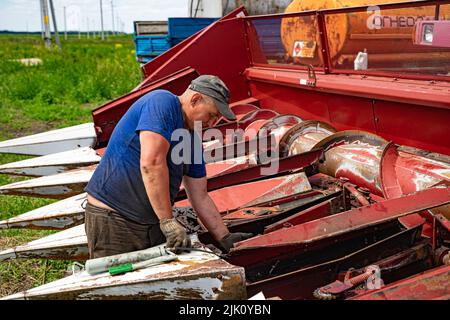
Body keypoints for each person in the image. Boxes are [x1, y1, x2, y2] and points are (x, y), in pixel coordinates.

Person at [84, 75, 252, 258]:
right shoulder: (162, 102)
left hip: (151, 224)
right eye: (211, 115)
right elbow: (152, 164)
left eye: (217, 119)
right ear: (195, 100)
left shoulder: (190, 139)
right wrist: (168, 222)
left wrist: (224, 237)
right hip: (115, 220)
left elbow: (200, 196)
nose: (212, 124)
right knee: (115, 284)